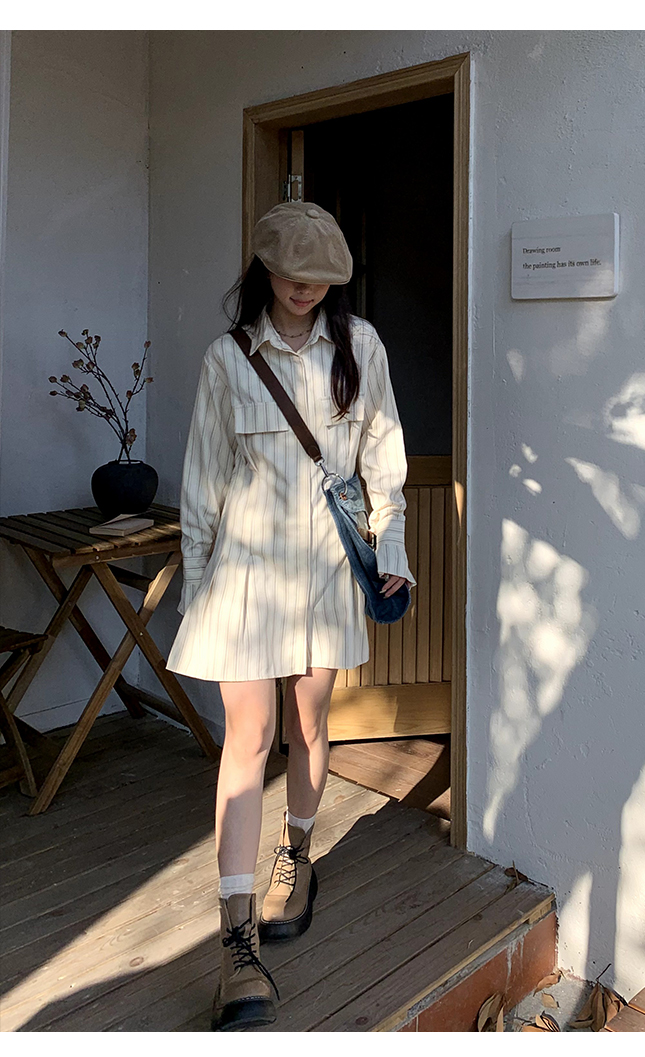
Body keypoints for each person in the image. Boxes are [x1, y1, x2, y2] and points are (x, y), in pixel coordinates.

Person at [166, 201, 415, 1031]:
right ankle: (236, 943)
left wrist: (391, 547)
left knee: (309, 722)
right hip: (241, 578)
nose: (305, 288)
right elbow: (203, 483)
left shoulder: (361, 347)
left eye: (321, 277)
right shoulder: (227, 358)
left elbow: (382, 459)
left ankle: (298, 857)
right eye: (290, 273)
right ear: (263, 270)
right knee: (247, 737)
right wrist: (197, 590)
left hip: (325, 575)